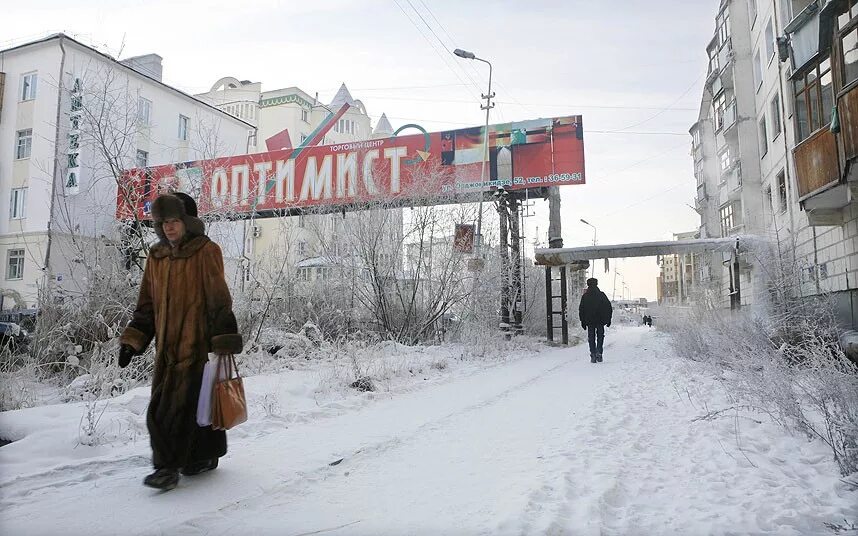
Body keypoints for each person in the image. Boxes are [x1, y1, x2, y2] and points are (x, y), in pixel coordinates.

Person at [118, 192, 243, 491]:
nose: (169, 228)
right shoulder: (156, 257)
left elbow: (218, 301)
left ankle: (166, 468)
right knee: (194, 409)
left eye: (174, 221)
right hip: (166, 353)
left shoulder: (205, 251)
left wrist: (222, 340)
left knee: (168, 411)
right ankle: (203, 456)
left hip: (196, 350)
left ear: (188, 222)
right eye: (163, 222)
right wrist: (132, 341)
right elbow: (146, 307)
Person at [579, 277, 613, 363]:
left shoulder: (585, 296)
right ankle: (599, 352)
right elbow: (608, 307)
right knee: (600, 336)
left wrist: (582, 321)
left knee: (591, 337)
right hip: (600, 320)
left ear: (588, 284)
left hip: (590, 321)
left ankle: (593, 354)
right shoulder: (602, 295)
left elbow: (581, 309)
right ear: (597, 284)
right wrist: (608, 319)